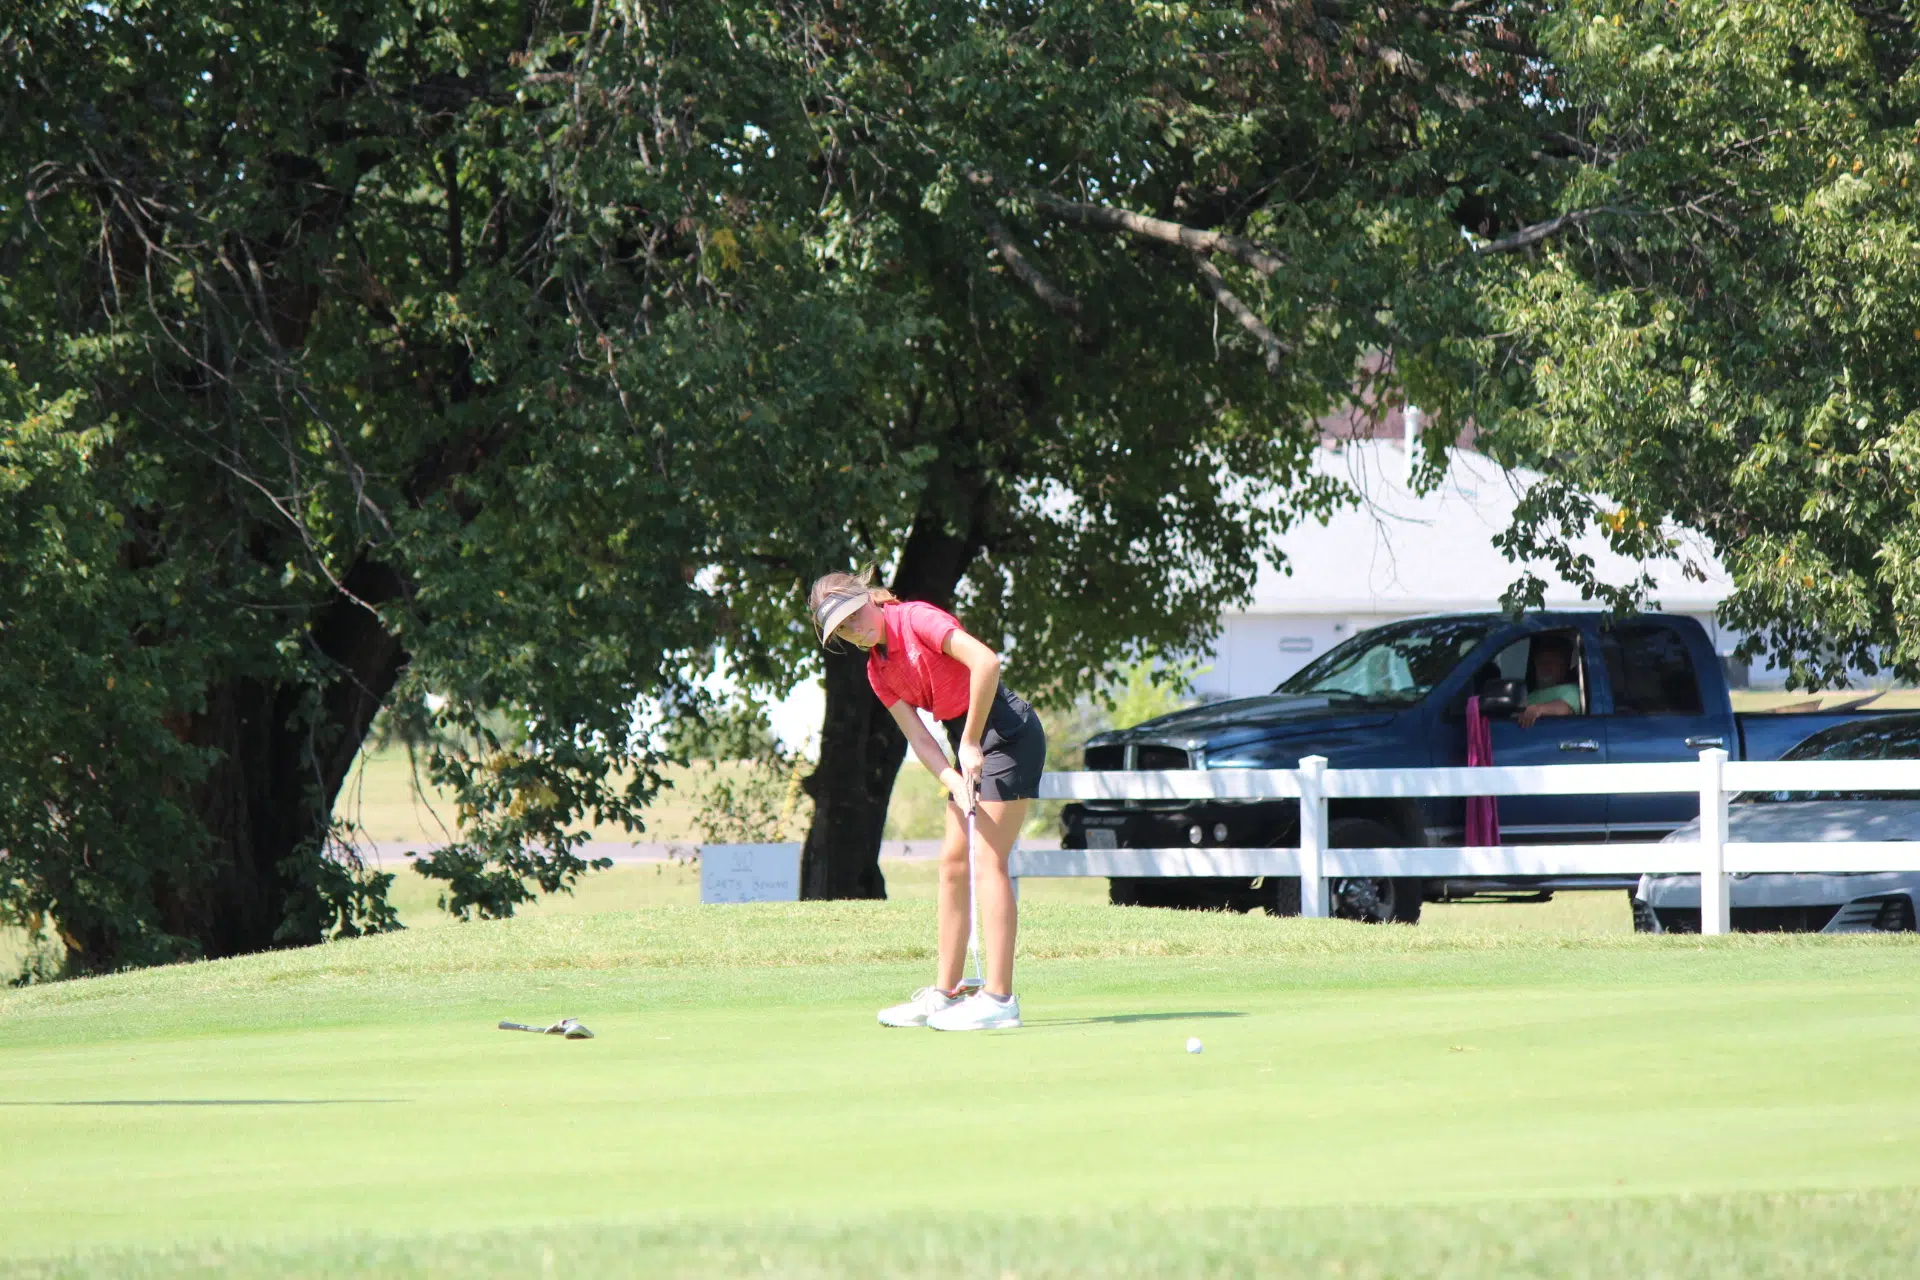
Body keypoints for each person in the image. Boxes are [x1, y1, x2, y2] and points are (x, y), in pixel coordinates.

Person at [808, 570, 1046, 1032]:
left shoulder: (915, 619)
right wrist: (949, 777)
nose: (856, 630)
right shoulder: (877, 670)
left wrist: (972, 743)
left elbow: (986, 663)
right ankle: (946, 993)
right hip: (968, 742)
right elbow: (918, 737)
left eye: (855, 615)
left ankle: (999, 999)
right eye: (843, 629)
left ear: (868, 599)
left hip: (1008, 732)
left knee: (986, 858)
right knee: (952, 864)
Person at [1515, 634, 1583, 729]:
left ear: (1563, 666)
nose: (1545, 666)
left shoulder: (1571, 690)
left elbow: (1565, 709)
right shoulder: (1529, 694)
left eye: (1551, 662)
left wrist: (1538, 710)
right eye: (1541, 661)